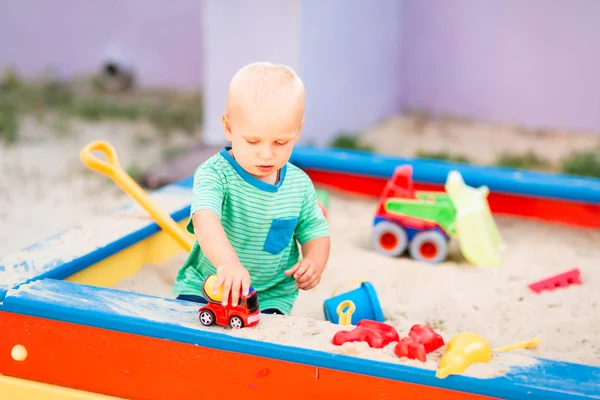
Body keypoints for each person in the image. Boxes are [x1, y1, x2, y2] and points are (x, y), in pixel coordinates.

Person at [173, 62, 331, 316]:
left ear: (298, 130)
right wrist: (228, 264)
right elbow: (205, 218)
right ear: (228, 127)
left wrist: (314, 262)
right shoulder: (214, 174)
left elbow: (315, 229)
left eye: (281, 142)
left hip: (270, 295)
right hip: (208, 284)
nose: (266, 154)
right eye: (253, 141)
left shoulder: (299, 184)